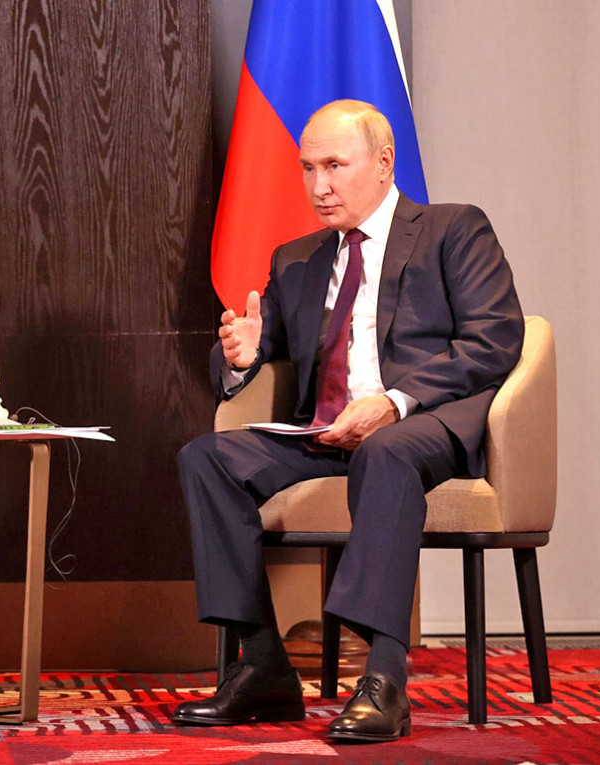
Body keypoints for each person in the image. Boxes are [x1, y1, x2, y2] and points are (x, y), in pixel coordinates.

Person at [172, 100, 523, 743]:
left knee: (385, 452)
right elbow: (255, 343)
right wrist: (240, 356)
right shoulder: (296, 259)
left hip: (421, 424)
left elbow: (494, 340)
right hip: (325, 432)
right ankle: (264, 665)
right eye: (308, 168)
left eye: (335, 165)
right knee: (207, 458)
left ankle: (383, 677)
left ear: (384, 163)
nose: (319, 186)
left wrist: (394, 402)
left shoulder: (452, 230)